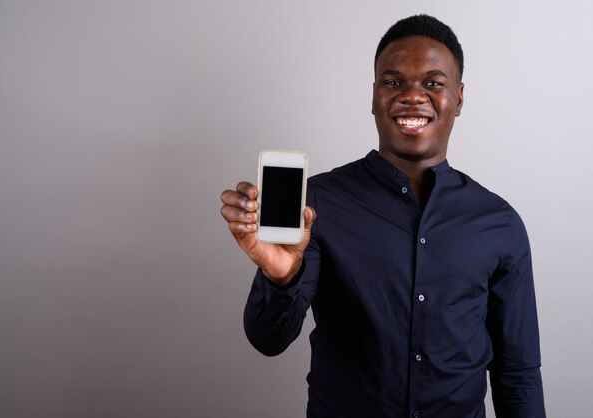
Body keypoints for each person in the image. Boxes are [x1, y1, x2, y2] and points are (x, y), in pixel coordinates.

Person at [220, 14, 545, 418]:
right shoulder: (316, 203)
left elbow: (518, 374)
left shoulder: (500, 223)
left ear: (458, 99)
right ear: (374, 96)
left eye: (433, 83)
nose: (412, 95)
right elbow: (267, 340)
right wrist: (281, 276)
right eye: (393, 82)